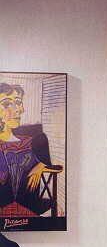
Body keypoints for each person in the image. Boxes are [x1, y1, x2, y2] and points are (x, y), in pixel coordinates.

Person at [0, 83, 62, 215]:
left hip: (29, 207)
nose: (18, 109)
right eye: (7, 104)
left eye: (18, 102)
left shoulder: (32, 142)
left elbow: (57, 167)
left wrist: (41, 165)